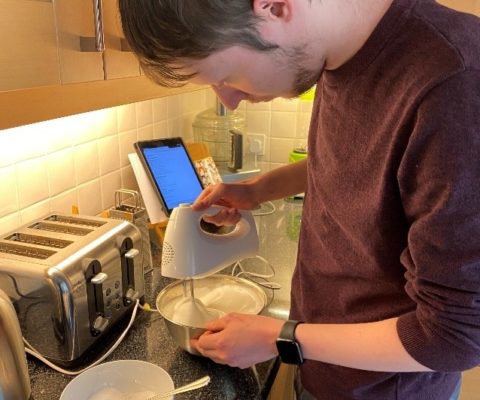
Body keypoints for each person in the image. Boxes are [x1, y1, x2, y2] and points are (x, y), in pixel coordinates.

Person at [119, 1, 480, 399]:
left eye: (224, 76)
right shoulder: (338, 54)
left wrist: (282, 338)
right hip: (324, 368)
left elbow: (455, 336)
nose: (229, 100)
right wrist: (256, 190)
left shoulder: (454, 80)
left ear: (274, 6)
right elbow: (360, 161)